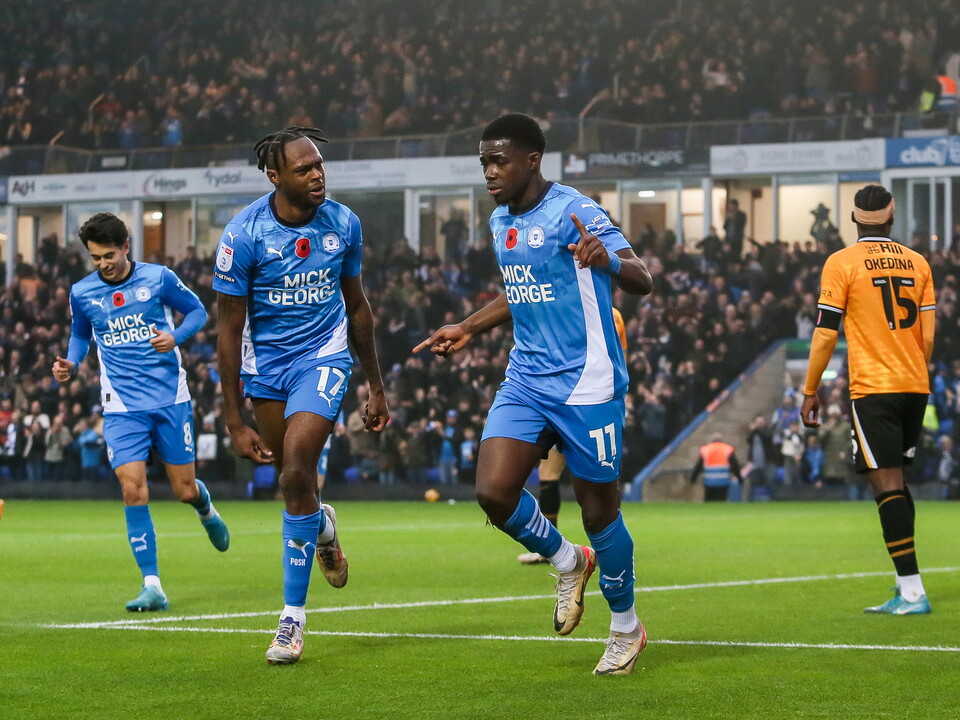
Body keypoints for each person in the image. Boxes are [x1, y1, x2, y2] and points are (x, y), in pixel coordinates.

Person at [414, 113, 653, 675]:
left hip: (586, 381)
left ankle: (626, 628)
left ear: (532, 160)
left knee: (600, 512)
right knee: (494, 492)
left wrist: (608, 259)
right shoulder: (502, 221)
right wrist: (469, 327)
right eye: (483, 164)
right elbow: (522, 291)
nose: (490, 173)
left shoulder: (576, 210)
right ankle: (569, 560)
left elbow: (642, 276)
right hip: (526, 377)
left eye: (498, 162)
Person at [214, 126, 389, 665]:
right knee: (296, 486)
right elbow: (226, 329)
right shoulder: (242, 235)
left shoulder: (344, 223)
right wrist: (232, 419)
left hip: (325, 358)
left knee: (294, 472)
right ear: (275, 175)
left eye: (320, 165)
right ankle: (323, 528)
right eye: (305, 168)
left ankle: (291, 621)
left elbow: (357, 307)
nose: (318, 175)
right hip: (266, 368)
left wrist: (375, 384)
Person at [52, 212, 229, 613]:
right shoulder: (82, 292)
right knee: (133, 488)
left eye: (109, 255)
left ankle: (204, 506)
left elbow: (199, 311)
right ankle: (153, 585)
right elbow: (81, 334)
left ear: (126, 246)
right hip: (122, 407)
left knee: (183, 489)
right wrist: (72, 363)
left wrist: (175, 336)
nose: (103, 264)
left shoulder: (159, 278)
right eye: (96, 258)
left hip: (169, 398)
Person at [801, 184, 936, 615]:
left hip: (874, 387)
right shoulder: (918, 263)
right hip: (915, 384)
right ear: (892, 218)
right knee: (896, 481)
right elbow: (928, 335)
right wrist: (913, 368)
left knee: (886, 485)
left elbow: (825, 332)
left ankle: (913, 591)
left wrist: (810, 389)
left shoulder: (841, 263)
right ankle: (905, 585)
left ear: (854, 219)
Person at [518, 307, 629, 565]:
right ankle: (556, 549)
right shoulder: (613, 314)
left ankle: (603, 546)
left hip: (579, 402)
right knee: (560, 473)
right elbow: (622, 359)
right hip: (581, 404)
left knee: (599, 476)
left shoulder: (569, 310)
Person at [689, 432, 743, 501]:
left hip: (709, 482)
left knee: (709, 504)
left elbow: (698, 466)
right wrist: (739, 478)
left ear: (712, 440)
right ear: (721, 440)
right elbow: (735, 465)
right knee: (721, 503)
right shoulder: (727, 449)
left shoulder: (706, 449)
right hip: (723, 482)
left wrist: (693, 479)